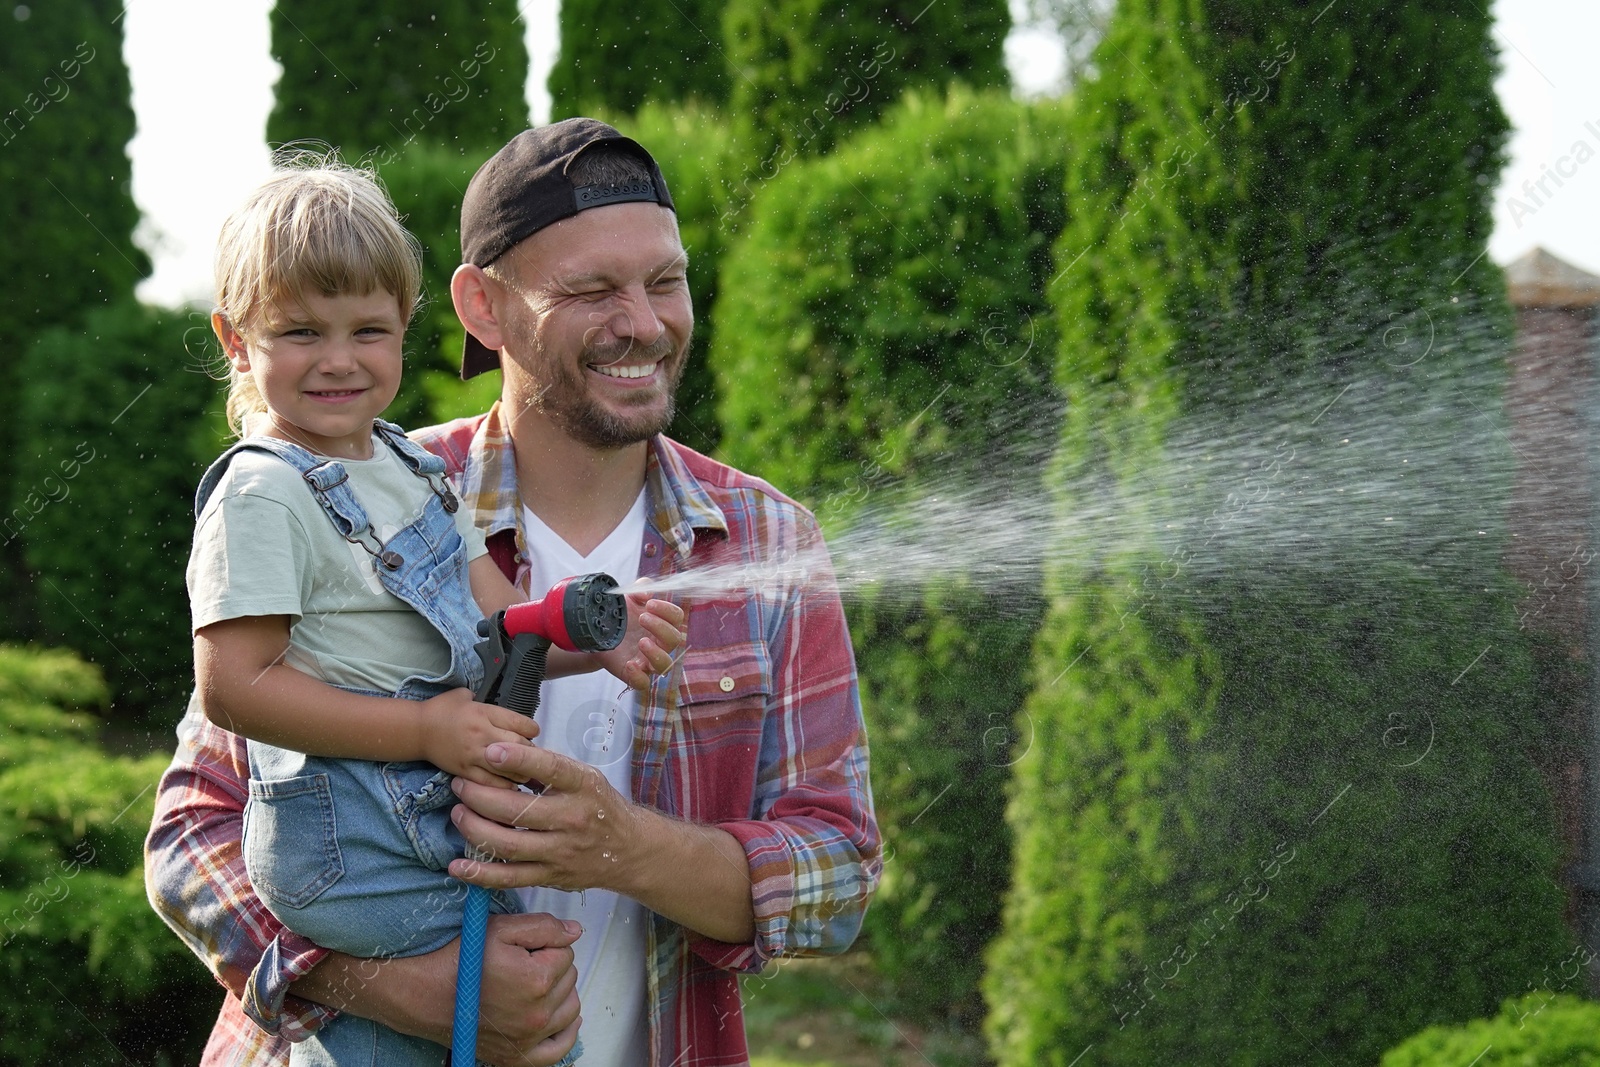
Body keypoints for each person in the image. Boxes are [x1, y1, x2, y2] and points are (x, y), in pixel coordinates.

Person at [146, 118, 882, 1067]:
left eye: (666, 281)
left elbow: (840, 875)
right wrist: (413, 993)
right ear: (481, 308)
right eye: (590, 290)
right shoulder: (350, 494)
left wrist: (624, 849)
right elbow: (189, 831)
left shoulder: (771, 542)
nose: (645, 322)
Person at [183, 157, 687, 1065]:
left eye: (368, 329)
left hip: (414, 818)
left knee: (506, 1008)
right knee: (507, 1007)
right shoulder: (260, 493)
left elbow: (499, 629)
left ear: (404, 330)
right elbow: (233, 689)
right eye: (300, 331)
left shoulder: (410, 470)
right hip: (344, 837)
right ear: (234, 337)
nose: (339, 358)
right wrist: (425, 727)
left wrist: (584, 637)